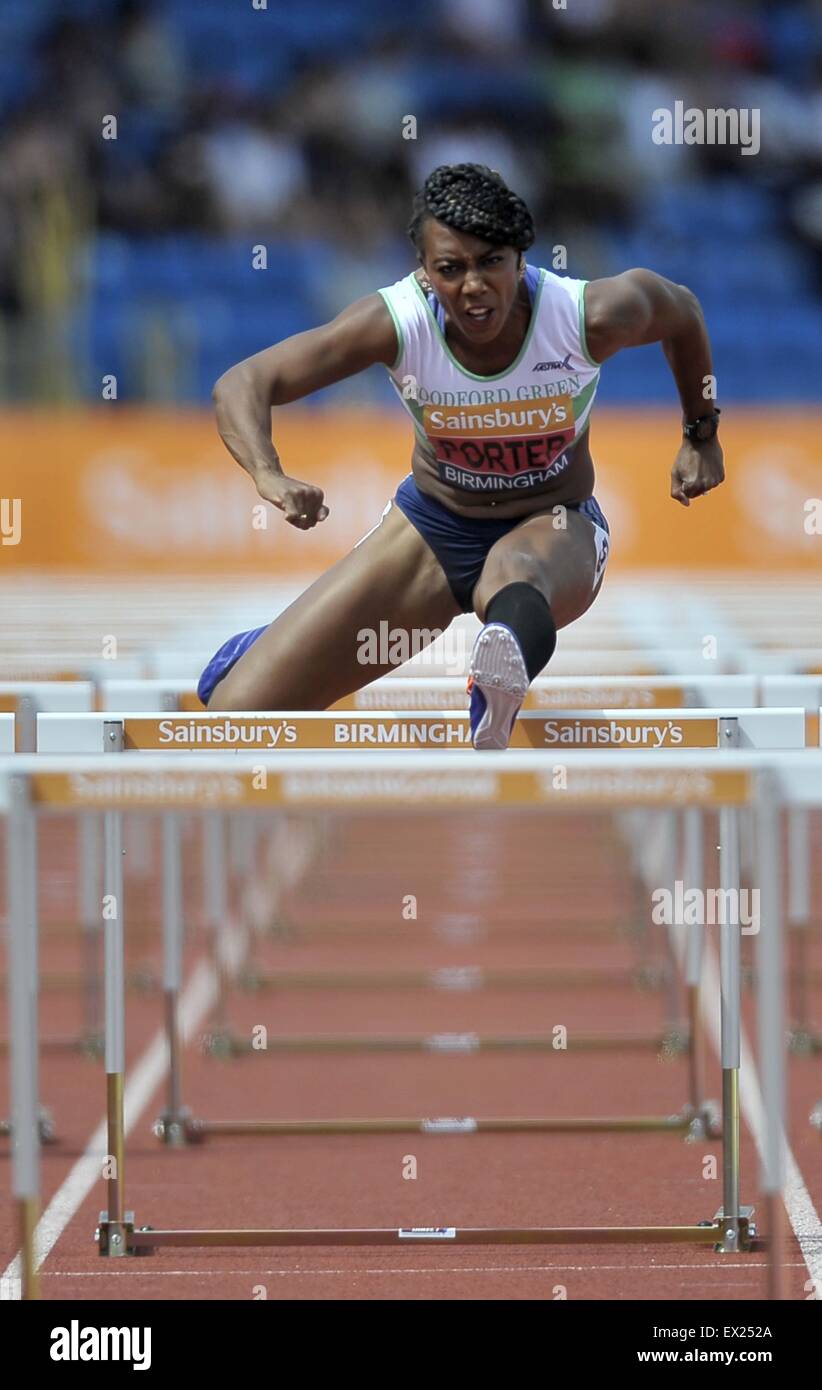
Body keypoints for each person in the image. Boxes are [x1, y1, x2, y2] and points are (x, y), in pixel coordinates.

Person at [199, 163, 724, 749]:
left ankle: (497, 676)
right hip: (432, 530)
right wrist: (266, 471)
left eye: (490, 262)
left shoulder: (585, 316)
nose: (473, 286)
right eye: (450, 270)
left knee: (513, 576)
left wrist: (700, 434)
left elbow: (681, 311)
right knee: (235, 718)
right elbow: (242, 383)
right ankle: (274, 645)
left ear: (521, 259)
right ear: (424, 274)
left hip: (554, 523)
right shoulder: (397, 323)